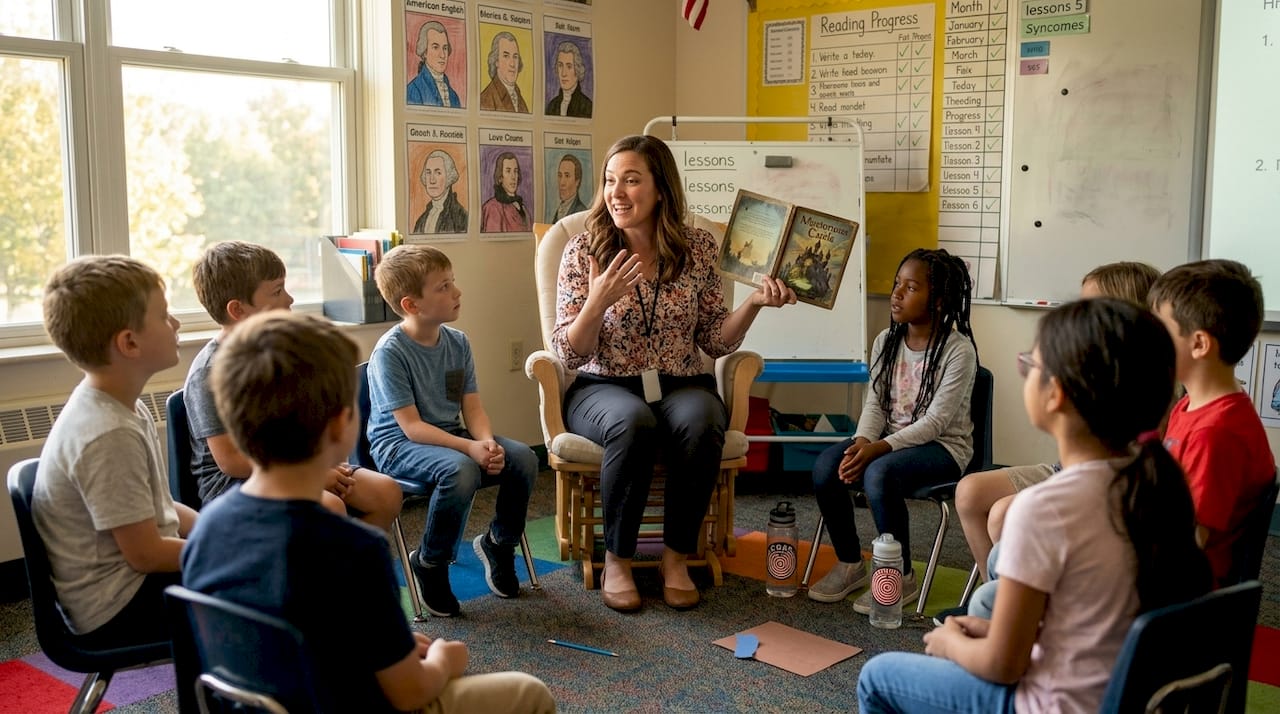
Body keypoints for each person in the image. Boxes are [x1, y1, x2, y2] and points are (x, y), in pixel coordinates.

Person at [182, 311, 555, 714]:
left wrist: (381, 643)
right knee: (530, 693)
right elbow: (410, 692)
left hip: (258, 703)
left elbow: (294, 624)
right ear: (342, 424)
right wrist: (445, 662)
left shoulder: (206, 528)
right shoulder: (353, 548)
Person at [856, 298, 1212, 714]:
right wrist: (995, 630)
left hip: (1051, 703)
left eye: (1030, 364)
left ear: (1055, 394)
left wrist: (951, 644)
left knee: (876, 677)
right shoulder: (1157, 484)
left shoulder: (1044, 509)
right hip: (1118, 693)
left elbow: (1003, 666)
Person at [551, 134, 796, 612]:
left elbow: (715, 341)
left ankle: (675, 558)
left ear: (660, 188)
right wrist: (597, 301)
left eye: (631, 180)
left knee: (704, 419)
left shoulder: (698, 247)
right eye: (609, 181)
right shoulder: (584, 250)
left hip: (682, 381)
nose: (616, 192)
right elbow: (569, 354)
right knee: (632, 422)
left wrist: (753, 304)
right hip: (604, 386)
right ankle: (618, 560)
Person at [955, 261, 1162, 584]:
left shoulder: (1131, 383)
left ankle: (1000, 602)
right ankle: (991, 593)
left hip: (1093, 481)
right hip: (1070, 470)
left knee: (1006, 515)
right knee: (970, 491)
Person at [367, 244, 538, 617]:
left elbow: (472, 408)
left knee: (522, 457)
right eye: (443, 287)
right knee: (459, 470)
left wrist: (487, 442)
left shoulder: (458, 342)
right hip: (398, 445)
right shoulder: (390, 353)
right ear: (412, 304)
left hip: (448, 435)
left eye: (453, 282)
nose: (456, 292)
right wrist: (469, 449)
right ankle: (431, 561)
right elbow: (411, 428)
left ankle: (499, 543)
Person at [34, 255, 198, 645]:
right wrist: (222, 552)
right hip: (120, 606)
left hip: (139, 581)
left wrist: (216, 531)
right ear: (129, 342)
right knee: (274, 588)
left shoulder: (122, 405)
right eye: (164, 315)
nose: (175, 324)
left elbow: (161, 507)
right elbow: (145, 555)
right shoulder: (107, 432)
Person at [184, 241, 402, 532]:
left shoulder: (279, 352)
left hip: (291, 462)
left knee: (385, 492)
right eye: (276, 291)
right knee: (329, 506)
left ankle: (349, 571)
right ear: (238, 309)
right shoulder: (208, 373)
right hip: (235, 485)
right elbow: (232, 461)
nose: (289, 299)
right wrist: (307, 472)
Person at [807, 248, 978, 612]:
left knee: (879, 474)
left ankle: (899, 575)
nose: (897, 294)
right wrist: (862, 442)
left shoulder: (958, 350)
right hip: (886, 441)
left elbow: (935, 422)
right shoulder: (886, 341)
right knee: (826, 467)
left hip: (942, 448)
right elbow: (876, 405)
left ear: (939, 299)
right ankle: (850, 562)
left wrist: (878, 450)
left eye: (911, 287)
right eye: (897, 283)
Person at [1150, 259, 1275, 586]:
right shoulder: (1190, 405)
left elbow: (1187, 542)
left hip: (1176, 588)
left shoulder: (1216, 433)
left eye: (1159, 330)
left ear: (1200, 344)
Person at [407, 21, 461, 108]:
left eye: (445, 48)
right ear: (424, 52)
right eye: (435, 47)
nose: (442, 55)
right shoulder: (413, 90)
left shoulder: (453, 96)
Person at [414, 149, 469, 234]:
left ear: (449, 176)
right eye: (428, 173)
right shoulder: (421, 220)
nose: (432, 180)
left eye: (438, 173)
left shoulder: (461, 217)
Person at [479, 31, 529, 113]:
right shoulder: (486, 99)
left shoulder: (518, 94)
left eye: (515, 57)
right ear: (496, 61)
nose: (512, 64)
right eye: (506, 56)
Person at [480, 152, 530, 232]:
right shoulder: (493, 208)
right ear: (500, 177)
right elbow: (493, 242)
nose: (513, 176)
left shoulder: (522, 208)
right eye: (508, 171)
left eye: (515, 171)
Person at [544, 41, 592, 118]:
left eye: (569, 66)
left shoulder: (587, 106)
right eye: (560, 65)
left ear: (577, 69)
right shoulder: (552, 106)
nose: (563, 73)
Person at [551, 154, 588, 222]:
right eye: (560, 175)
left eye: (567, 176)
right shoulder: (560, 209)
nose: (562, 183)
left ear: (577, 181)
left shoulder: (581, 212)